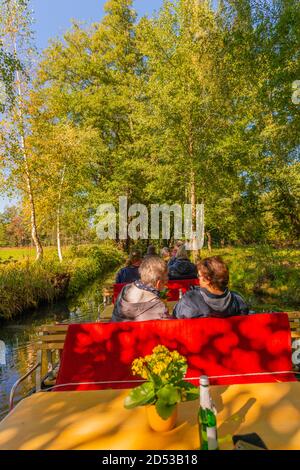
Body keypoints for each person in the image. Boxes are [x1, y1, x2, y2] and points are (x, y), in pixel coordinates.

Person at [173, 256, 249, 319]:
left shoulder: (190, 300)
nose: (198, 278)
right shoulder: (238, 300)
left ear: (207, 279)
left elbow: (175, 315)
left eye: (199, 276)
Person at [112, 256, 171, 322]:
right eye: (165, 281)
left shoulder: (125, 289)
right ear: (158, 283)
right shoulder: (159, 308)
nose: (166, 283)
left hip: (117, 330)